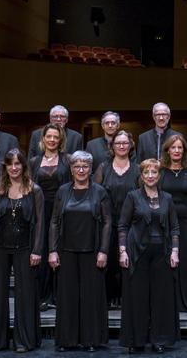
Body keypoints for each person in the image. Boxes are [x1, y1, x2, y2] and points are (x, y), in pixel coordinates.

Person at [47, 151, 111, 352]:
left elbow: (108, 223)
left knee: (91, 297)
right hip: (66, 251)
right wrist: (52, 250)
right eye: (77, 166)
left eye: (85, 166)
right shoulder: (62, 191)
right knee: (67, 297)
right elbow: (55, 222)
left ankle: (90, 340)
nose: (81, 170)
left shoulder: (100, 191)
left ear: (91, 169)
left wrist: (103, 251)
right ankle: (67, 340)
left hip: (92, 251)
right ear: (71, 169)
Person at [0, 149, 44, 352]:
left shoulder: (34, 190)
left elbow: (40, 222)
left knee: (25, 295)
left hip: (25, 248)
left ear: (24, 166)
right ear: (5, 167)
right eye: (10, 164)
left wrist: (37, 250)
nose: (14, 168)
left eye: (18, 164)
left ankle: (24, 341)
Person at [118, 159, 180, 354]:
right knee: (137, 298)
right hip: (137, 253)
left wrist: (175, 251)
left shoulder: (167, 198)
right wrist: (122, 251)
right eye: (147, 173)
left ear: (159, 176)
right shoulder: (132, 196)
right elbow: (122, 226)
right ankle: (136, 340)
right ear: (142, 176)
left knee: (160, 298)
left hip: (162, 253)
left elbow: (175, 228)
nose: (151, 176)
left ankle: (159, 339)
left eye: (154, 172)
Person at [93, 130, 140, 309]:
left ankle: (125, 297)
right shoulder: (103, 168)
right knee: (110, 262)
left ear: (130, 146)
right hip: (107, 223)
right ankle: (109, 296)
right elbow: (95, 194)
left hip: (131, 224)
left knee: (128, 262)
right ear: (112, 146)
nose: (121, 146)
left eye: (125, 143)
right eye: (118, 143)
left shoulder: (137, 169)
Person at [28, 123, 71, 310]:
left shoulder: (68, 160)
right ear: (43, 139)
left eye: (56, 137)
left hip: (62, 210)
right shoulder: (33, 162)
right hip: (40, 211)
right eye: (49, 136)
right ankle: (43, 296)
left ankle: (59, 295)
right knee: (42, 249)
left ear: (60, 139)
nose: (52, 140)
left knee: (60, 250)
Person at [158, 134, 187, 312]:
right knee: (166, 260)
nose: (176, 151)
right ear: (167, 150)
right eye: (173, 147)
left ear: (184, 151)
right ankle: (168, 302)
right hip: (163, 223)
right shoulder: (159, 171)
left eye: (180, 148)